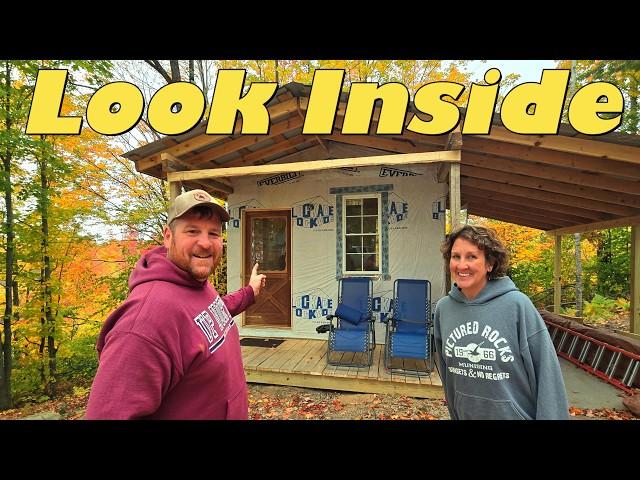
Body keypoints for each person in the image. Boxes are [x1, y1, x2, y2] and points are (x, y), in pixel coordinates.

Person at [85, 189, 266, 420]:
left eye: (213, 233)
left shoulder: (195, 283)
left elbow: (212, 314)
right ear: (168, 236)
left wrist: (250, 292)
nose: (205, 243)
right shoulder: (146, 320)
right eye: (192, 231)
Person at [433, 225, 569, 420]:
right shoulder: (444, 309)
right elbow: (448, 376)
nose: (462, 265)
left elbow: (548, 377)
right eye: (456, 257)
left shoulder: (517, 306)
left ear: (490, 263)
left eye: (472, 257)